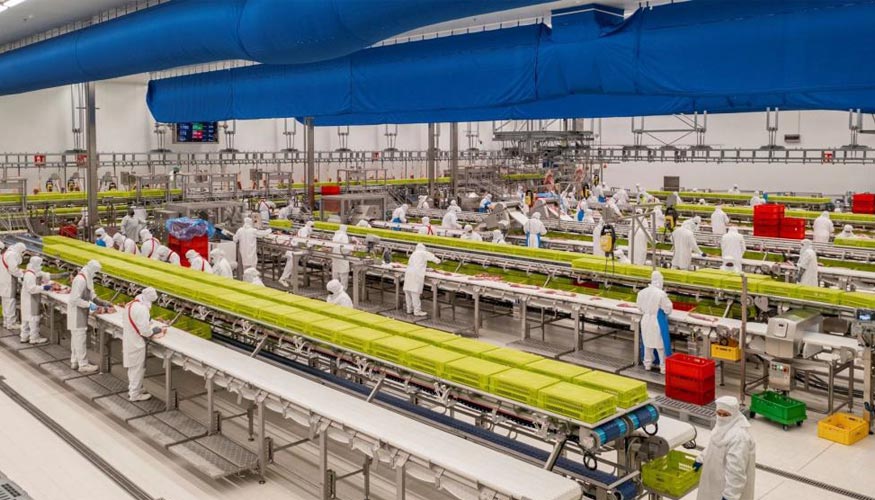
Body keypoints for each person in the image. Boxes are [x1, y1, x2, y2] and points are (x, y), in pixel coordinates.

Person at [694, 396, 756, 500]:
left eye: (726, 415)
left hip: (728, 488)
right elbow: (713, 445)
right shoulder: (722, 427)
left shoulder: (739, 438)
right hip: (714, 480)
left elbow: (736, 471)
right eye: (719, 413)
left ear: (734, 414)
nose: (721, 417)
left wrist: (730, 495)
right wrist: (701, 458)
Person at [123, 287, 166, 402]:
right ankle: (134, 394)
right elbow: (145, 332)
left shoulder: (130, 304)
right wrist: (155, 330)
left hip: (129, 340)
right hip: (137, 343)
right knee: (138, 368)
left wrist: (148, 323)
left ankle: (135, 388)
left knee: (132, 367)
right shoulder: (142, 309)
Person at [67, 260, 102, 374]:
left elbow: (90, 291)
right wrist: (89, 304)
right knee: (80, 339)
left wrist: (97, 300)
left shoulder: (85, 277)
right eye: (96, 272)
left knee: (76, 339)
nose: (96, 275)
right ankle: (83, 364)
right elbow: (74, 299)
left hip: (80, 313)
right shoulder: (80, 280)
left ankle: (75, 361)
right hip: (77, 313)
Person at [636, 271, 673, 374]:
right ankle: (663, 368)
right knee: (660, 345)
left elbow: (639, 307)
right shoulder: (661, 294)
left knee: (647, 342)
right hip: (657, 321)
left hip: (645, 319)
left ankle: (647, 364)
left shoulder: (642, 292)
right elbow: (668, 309)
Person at [19, 256, 51, 345]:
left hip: (27, 299)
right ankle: (34, 338)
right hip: (30, 299)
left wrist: (46, 276)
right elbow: (31, 289)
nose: (41, 266)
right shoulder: (30, 275)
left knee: (25, 318)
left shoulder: (31, 271)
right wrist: (43, 287)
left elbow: (42, 274)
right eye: (40, 264)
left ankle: (24, 337)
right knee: (33, 319)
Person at [403, 243, 440, 317]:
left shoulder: (413, 254)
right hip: (416, 275)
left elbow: (416, 264)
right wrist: (439, 261)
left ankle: (409, 309)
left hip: (408, 273)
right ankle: (417, 311)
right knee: (415, 293)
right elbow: (434, 259)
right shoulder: (423, 252)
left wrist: (426, 268)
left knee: (408, 293)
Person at [0, 243, 26, 330]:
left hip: (3, 280)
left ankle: (6, 321)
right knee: (10, 302)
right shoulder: (12, 255)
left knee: (5, 302)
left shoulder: (7, 253)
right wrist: (22, 275)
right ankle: (11, 323)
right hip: (8, 282)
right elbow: (13, 269)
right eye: (22, 252)